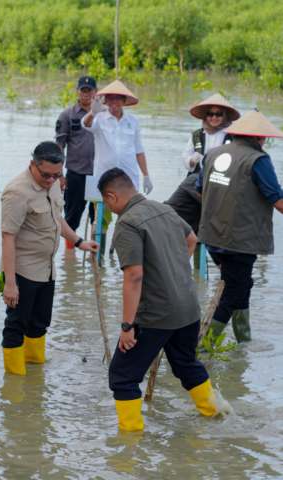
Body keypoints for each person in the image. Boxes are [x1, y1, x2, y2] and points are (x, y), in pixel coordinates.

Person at [99, 168, 220, 432]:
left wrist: (127, 327)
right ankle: (215, 415)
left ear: (110, 196)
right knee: (186, 364)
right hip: (187, 308)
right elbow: (191, 240)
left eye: (107, 203)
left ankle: (130, 443)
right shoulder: (164, 209)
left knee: (122, 376)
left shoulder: (127, 223)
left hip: (156, 315)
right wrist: (171, 270)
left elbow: (133, 276)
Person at [0, 141, 98, 376]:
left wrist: (78, 241)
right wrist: (10, 284)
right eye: (46, 175)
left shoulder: (53, 184)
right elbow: (8, 238)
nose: (51, 180)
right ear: (32, 165)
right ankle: (14, 381)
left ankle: (34, 376)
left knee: (39, 323)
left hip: (46, 269)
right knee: (16, 325)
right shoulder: (17, 192)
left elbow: (57, 219)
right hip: (22, 270)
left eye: (57, 175)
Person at [198, 110, 283, 343]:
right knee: (233, 291)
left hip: (212, 235)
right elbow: (278, 200)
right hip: (239, 239)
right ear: (260, 138)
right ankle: (204, 345)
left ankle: (243, 342)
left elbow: (199, 188)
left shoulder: (213, 154)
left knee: (241, 285)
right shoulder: (258, 160)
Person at [82, 80, 152, 252]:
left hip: (128, 179)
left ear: (124, 101)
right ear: (105, 101)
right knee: (101, 221)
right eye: (110, 99)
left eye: (117, 99)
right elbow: (86, 125)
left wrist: (146, 175)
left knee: (130, 219)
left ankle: (119, 255)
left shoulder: (132, 121)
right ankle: (98, 259)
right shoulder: (99, 118)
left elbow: (139, 150)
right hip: (103, 178)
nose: (114, 103)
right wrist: (92, 112)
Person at [55, 75, 97, 248]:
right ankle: (69, 260)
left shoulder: (103, 115)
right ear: (78, 92)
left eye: (90, 91)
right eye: (83, 90)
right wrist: (59, 175)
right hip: (75, 174)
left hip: (98, 175)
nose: (86, 94)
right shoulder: (67, 115)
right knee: (71, 218)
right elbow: (59, 146)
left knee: (98, 218)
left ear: (96, 93)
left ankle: (94, 252)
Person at [183, 93, 239, 174]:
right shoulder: (197, 135)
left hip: (220, 177)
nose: (214, 117)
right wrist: (192, 161)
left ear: (225, 116)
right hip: (197, 175)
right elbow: (186, 155)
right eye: (210, 114)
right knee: (183, 187)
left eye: (219, 114)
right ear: (205, 116)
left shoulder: (231, 136)